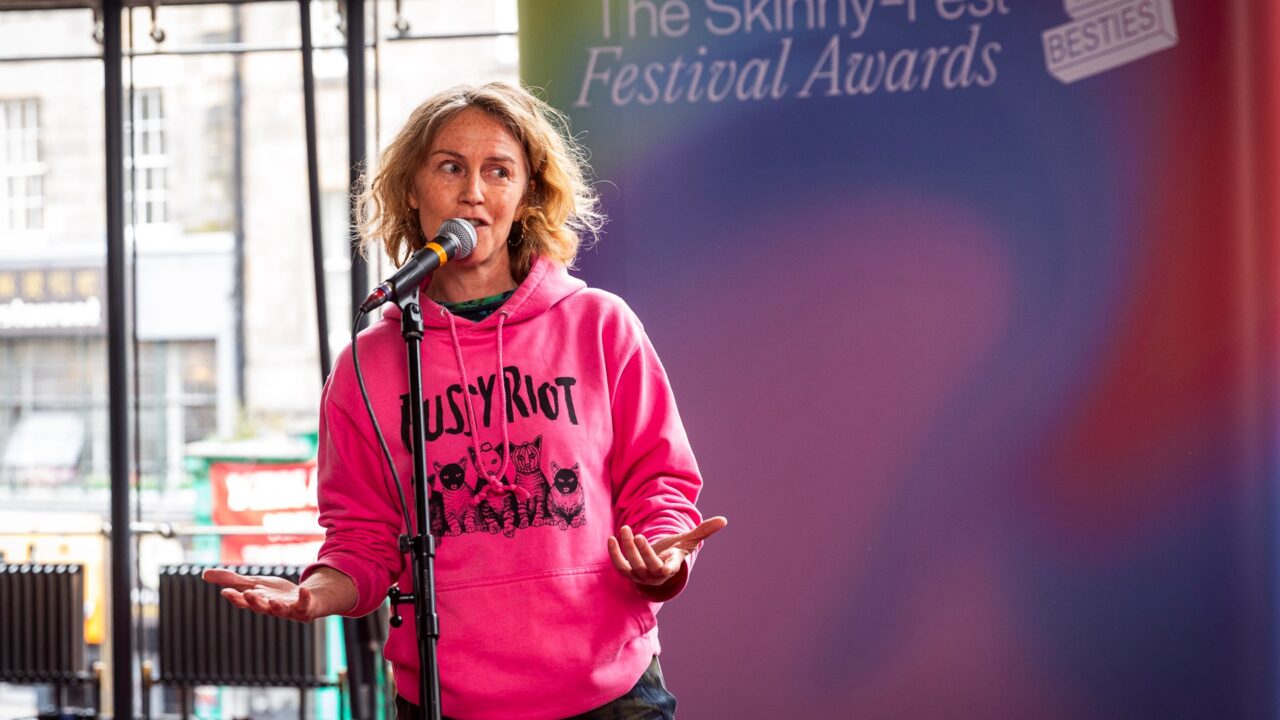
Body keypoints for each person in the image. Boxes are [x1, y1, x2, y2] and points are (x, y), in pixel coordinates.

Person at [203, 81, 726, 720]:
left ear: (526, 193)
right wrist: (316, 594)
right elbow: (364, 539)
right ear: (413, 191)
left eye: (498, 170)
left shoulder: (599, 325)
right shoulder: (368, 366)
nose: (473, 190)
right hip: (447, 702)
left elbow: (660, 485)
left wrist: (663, 556)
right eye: (450, 167)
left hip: (610, 694)